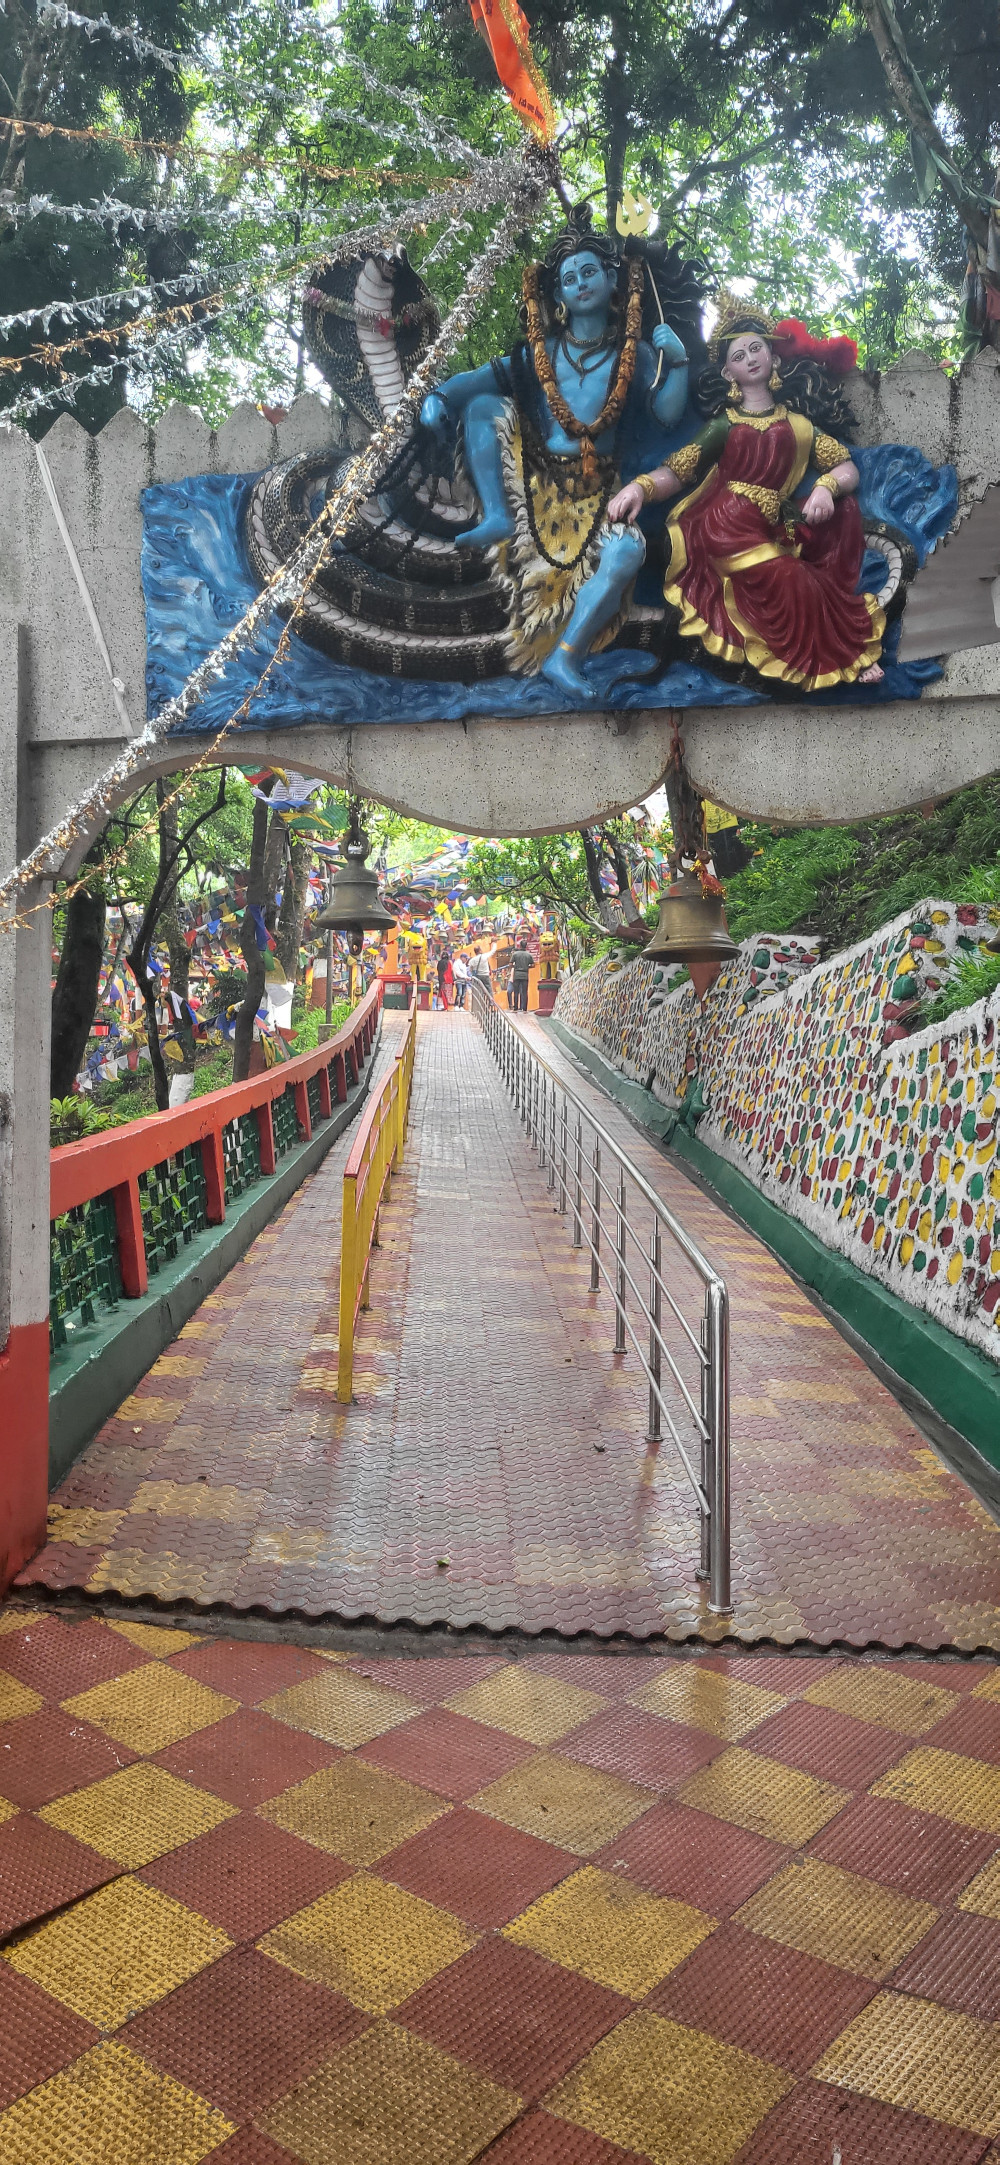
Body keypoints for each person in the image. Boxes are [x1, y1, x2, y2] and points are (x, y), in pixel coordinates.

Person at [420, 212, 690, 702]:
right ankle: (498, 517)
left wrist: (680, 361)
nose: (580, 284)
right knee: (483, 405)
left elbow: (668, 414)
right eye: (568, 279)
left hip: (600, 493)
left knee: (627, 551)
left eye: (589, 272)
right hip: (538, 484)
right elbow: (476, 382)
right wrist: (437, 396)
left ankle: (566, 656)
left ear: (611, 280)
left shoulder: (635, 352)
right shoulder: (540, 353)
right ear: (558, 296)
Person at [607, 294, 885, 693]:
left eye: (757, 348)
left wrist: (826, 487)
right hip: (722, 526)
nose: (751, 358)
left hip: (774, 525)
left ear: (773, 357)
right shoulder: (725, 425)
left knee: (812, 560)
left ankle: (837, 653)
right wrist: (640, 486)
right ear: (727, 371)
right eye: (740, 355)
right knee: (790, 577)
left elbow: (846, 468)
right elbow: (680, 469)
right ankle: (835, 658)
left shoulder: (800, 426)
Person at [509, 940, 532, 1012]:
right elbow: (533, 964)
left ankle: (515, 1008)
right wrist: (527, 967)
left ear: (520, 945)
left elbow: (510, 964)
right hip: (525, 975)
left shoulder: (515, 954)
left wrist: (515, 967)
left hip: (517, 975)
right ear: (526, 946)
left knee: (516, 992)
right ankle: (525, 1009)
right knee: (525, 992)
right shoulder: (528, 955)